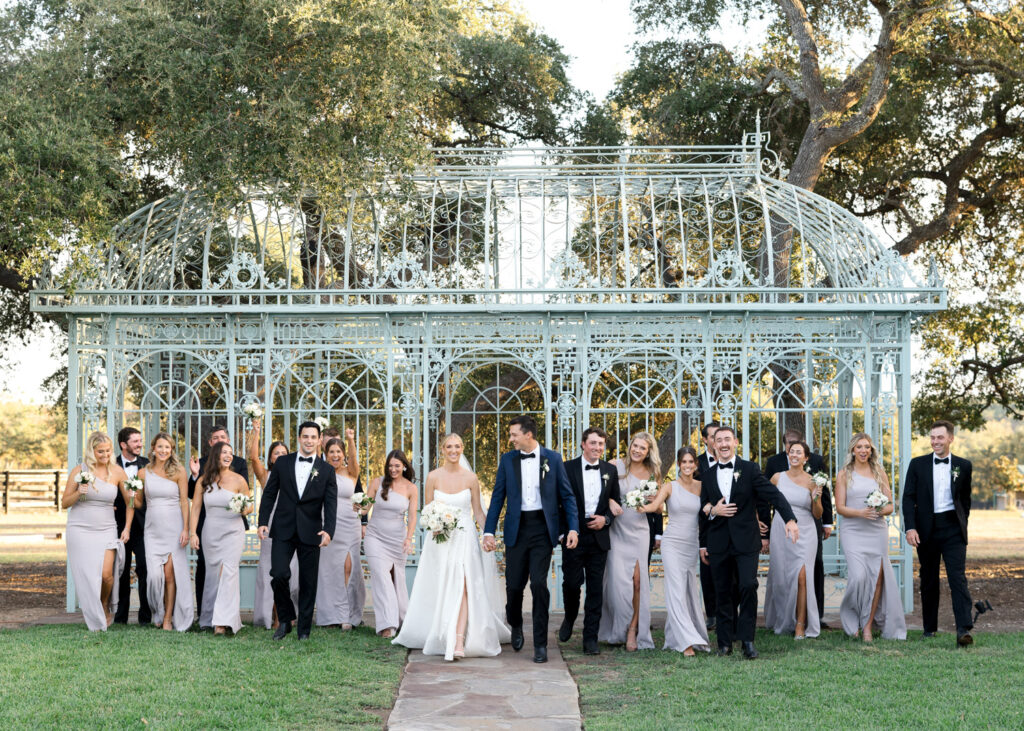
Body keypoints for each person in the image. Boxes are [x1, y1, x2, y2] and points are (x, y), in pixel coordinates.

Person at [394, 434, 510, 660]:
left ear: (462, 448)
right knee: (446, 585)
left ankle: (458, 641)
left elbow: (478, 512)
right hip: (441, 539)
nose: (453, 450)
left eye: (457, 446)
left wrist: (488, 535)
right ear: (443, 449)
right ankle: (443, 632)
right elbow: (427, 511)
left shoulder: (471, 478)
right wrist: (434, 526)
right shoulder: (433, 477)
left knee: (464, 585)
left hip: (465, 537)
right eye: (449, 446)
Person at [483, 415, 579, 664]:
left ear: (528, 435)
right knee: (514, 586)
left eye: (514, 434)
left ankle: (540, 644)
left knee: (538, 584)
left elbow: (567, 496)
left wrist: (573, 529)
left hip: (542, 529)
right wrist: (489, 531)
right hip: (516, 528)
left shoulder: (553, 459)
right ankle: (515, 623)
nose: (511, 439)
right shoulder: (508, 460)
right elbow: (498, 497)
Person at [700, 425, 798, 659]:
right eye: (718, 440)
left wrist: (790, 519)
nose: (723, 444)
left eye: (727, 439)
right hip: (718, 541)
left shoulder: (750, 469)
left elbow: (773, 495)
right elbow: (703, 507)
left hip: (746, 541)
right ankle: (724, 644)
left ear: (735, 442)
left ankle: (747, 640)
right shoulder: (707, 474)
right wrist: (714, 511)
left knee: (747, 586)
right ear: (713, 444)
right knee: (723, 591)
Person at [258, 421, 338, 640]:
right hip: (283, 528)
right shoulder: (283, 463)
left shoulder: (326, 470)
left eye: (313, 437)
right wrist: (263, 521)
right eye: (305, 436)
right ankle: (285, 619)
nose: (309, 441)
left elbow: (331, 503)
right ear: (299, 438)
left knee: (308, 582)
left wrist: (329, 530)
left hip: (311, 530)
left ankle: (303, 630)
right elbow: (269, 493)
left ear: (319, 440)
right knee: (278, 574)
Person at [902, 420, 974, 646]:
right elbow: (908, 498)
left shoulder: (963, 465)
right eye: (932, 437)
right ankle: (929, 629)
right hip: (926, 529)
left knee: (957, 578)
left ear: (950, 438)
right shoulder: (917, 464)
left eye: (940, 437)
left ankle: (963, 629)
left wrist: (962, 523)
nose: (935, 442)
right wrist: (911, 527)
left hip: (953, 529)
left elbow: (965, 499)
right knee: (929, 579)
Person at [836, 433, 906, 641]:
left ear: (871, 450)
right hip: (852, 531)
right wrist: (861, 513)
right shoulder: (844, 474)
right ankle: (851, 618)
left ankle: (867, 626)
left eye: (867, 447)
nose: (863, 450)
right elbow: (840, 507)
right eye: (859, 447)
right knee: (858, 577)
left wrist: (878, 509)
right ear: (853, 450)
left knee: (876, 578)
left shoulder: (879, 473)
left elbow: (891, 506)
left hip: (876, 530)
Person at [558, 427, 621, 655]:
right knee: (572, 583)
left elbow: (616, 503)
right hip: (574, 534)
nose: (597, 447)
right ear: (583, 444)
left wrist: (606, 519)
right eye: (593, 443)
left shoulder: (610, 470)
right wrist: (563, 533)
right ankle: (569, 616)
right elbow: (558, 503)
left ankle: (590, 638)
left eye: (601, 444)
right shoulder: (567, 468)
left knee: (595, 589)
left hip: (598, 536)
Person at [640, 446, 710, 655]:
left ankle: (676, 636)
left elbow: (709, 510)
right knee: (676, 590)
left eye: (691, 462)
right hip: (672, 544)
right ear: (678, 465)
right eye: (684, 462)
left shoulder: (702, 486)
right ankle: (686, 641)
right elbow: (655, 506)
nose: (687, 466)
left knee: (688, 590)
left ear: (695, 464)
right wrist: (639, 506)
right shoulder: (670, 486)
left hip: (691, 544)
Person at [764, 427, 834, 626]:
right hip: (781, 529)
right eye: (791, 451)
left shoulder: (813, 482)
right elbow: (762, 499)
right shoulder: (777, 477)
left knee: (803, 575)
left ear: (806, 458)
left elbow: (817, 513)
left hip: (806, 530)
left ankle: (801, 624)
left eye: (798, 452)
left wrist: (816, 498)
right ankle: (784, 618)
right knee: (781, 574)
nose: (794, 455)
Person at [63, 431, 132, 631]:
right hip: (80, 528)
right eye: (100, 451)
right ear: (91, 451)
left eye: (108, 450)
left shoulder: (118, 472)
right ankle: (94, 611)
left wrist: (127, 527)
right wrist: (79, 492)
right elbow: (64, 502)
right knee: (88, 574)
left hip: (106, 528)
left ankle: (104, 602)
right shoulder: (80, 470)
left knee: (106, 575)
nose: (105, 454)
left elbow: (130, 502)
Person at [599, 432, 659, 651]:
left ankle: (633, 629)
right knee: (617, 584)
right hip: (617, 531)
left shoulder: (652, 473)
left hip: (640, 531)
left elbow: (658, 508)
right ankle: (617, 628)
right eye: (635, 446)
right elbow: (599, 492)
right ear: (630, 446)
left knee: (637, 582)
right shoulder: (615, 466)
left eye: (643, 448)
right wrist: (610, 501)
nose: (637, 450)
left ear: (648, 452)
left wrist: (654, 501)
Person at [188, 424, 249, 622]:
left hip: (233, 531)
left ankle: (225, 620)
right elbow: (195, 507)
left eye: (230, 452)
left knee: (228, 571)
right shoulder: (203, 479)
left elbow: (249, 505)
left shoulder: (239, 479)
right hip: (210, 531)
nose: (228, 455)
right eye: (224, 452)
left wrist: (243, 508)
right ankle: (209, 617)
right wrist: (192, 533)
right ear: (215, 454)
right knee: (213, 573)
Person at [246, 421, 298, 630]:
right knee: (273, 572)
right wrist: (256, 432)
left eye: (284, 452)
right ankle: (276, 616)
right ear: (270, 458)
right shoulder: (266, 475)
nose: (280, 456)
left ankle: (288, 613)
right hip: (270, 528)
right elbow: (253, 458)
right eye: (276, 453)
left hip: (291, 526)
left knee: (290, 572)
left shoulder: (296, 474)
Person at [138, 433, 193, 631]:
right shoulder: (143, 473)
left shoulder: (178, 471)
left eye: (167, 447)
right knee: (154, 576)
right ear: (153, 448)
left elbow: (184, 502)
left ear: (171, 450)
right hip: (152, 529)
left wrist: (186, 529)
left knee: (170, 575)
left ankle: (168, 617)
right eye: (160, 447)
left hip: (174, 528)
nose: (163, 451)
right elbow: (137, 503)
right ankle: (158, 611)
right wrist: (129, 495)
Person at [362, 450, 418, 638]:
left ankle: (402, 619)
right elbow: (365, 507)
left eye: (397, 466)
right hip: (375, 537)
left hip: (397, 540)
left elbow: (412, 517)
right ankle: (387, 624)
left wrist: (408, 538)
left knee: (397, 579)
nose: (393, 469)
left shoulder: (411, 488)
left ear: (404, 466)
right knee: (381, 577)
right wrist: (358, 507)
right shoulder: (377, 483)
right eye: (390, 466)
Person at [316, 430, 365, 630]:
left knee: (348, 567)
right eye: (331, 452)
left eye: (339, 452)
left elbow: (354, 458)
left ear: (344, 454)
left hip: (350, 524)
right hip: (327, 524)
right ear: (325, 454)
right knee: (328, 570)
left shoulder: (351, 472)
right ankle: (330, 615)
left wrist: (351, 439)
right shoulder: (319, 472)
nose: (335, 455)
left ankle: (347, 614)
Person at [113, 426, 151, 625]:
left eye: (140, 441)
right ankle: (120, 618)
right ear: (123, 444)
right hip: (118, 525)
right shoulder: (111, 466)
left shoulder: (148, 465)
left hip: (144, 526)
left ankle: (146, 617)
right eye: (135, 441)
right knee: (121, 570)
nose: (139, 444)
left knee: (145, 568)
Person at [695, 421, 720, 630]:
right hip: (705, 522)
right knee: (707, 569)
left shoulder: (736, 461)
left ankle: (727, 612)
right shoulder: (697, 463)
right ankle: (711, 614)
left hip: (730, 521)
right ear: (705, 439)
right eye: (712, 436)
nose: (717, 440)